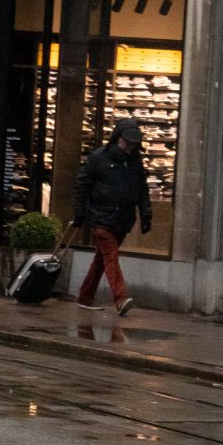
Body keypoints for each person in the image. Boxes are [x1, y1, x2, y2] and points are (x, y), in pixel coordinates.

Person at [73, 118, 151, 316]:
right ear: (117, 139)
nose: (130, 148)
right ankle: (120, 299)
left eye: (134, 145)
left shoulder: (135, 161)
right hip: (101, 218)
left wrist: (146, 215)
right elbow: (82, 186)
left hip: (123, 219)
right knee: (111, 256)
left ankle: (85, 296)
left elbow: (143, 190)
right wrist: (80, 213)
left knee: (102, 258)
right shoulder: (98, 158)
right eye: (127, 144)